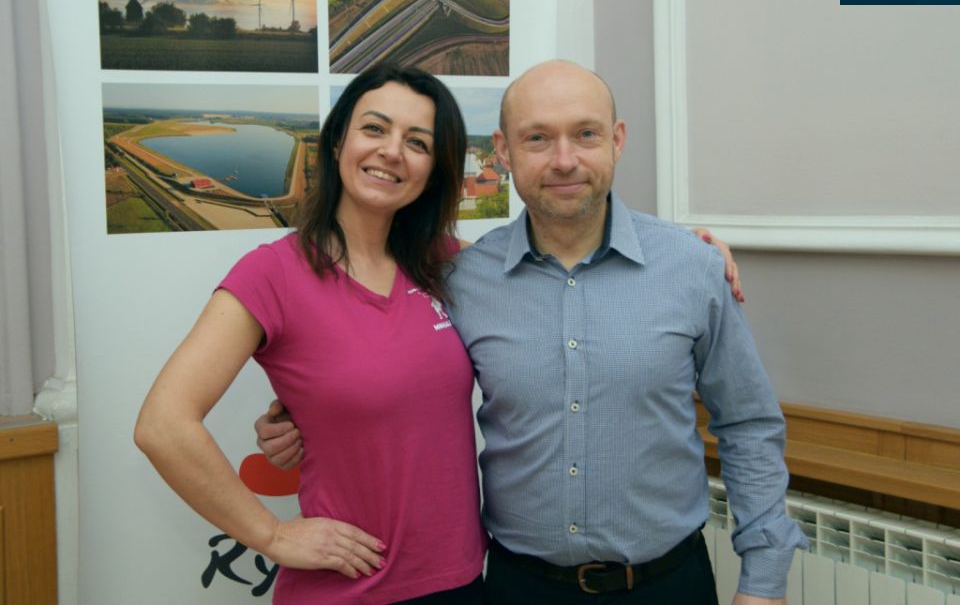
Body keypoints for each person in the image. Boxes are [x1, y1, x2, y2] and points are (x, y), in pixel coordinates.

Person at [258, 60, 805, 604]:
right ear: (503, 150)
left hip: (667, 586)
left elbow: (748, 424)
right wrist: (303, 418)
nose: (564, 160)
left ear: (617, 140)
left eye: (585, 134)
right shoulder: (462, 278)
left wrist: (764, 583)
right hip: (517, 589)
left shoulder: (691, 267)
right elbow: (391, 370)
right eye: (537, 138)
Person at [135, 63, 488, 604]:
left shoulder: (447, 263)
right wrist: (271, 535)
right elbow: (163, 425)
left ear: (433, 169)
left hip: (459, 581)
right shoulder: (273, 273)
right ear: (339, 140)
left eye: (417, 142)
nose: (392, 151)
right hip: (350, 590)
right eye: (375, 128)